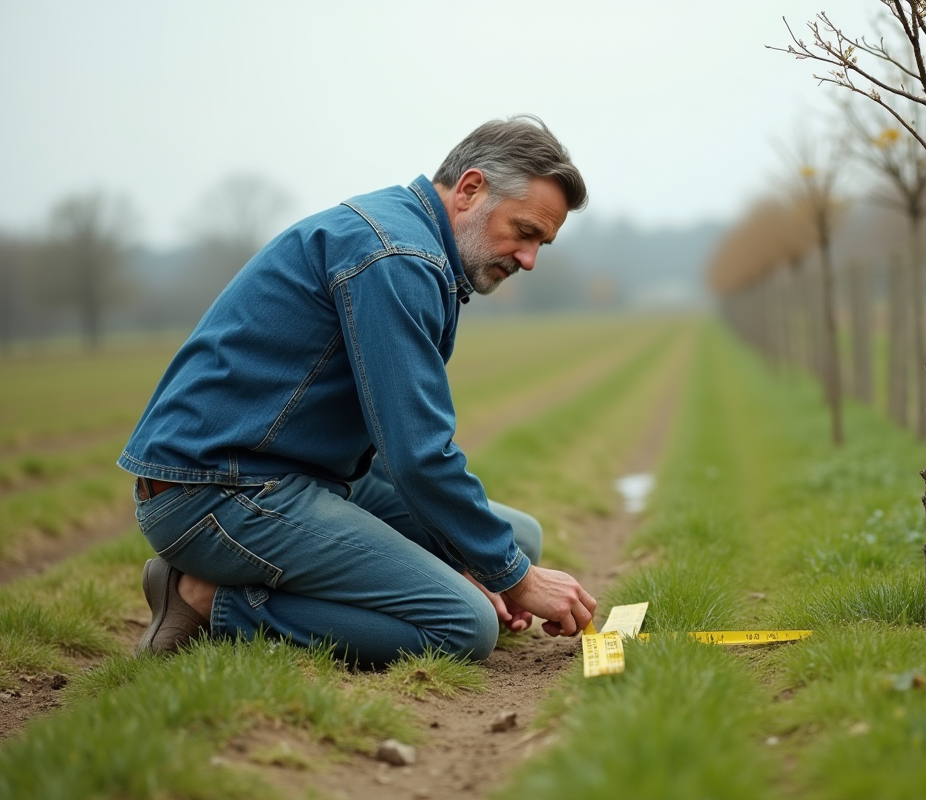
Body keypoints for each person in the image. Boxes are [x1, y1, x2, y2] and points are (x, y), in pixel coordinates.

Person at [119, 115, 597, 666]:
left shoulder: (415, 242)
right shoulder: (397, 258)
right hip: (219, 491)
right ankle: (209, 600)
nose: (530, 258)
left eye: (543, 242)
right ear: (470, 189)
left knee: (520, 539)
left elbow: (394, 448)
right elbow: (417, 454)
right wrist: (510, 578)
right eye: (525, 231)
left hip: (302, 473)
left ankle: (294, 585)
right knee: (465, 624)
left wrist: (483, 561)